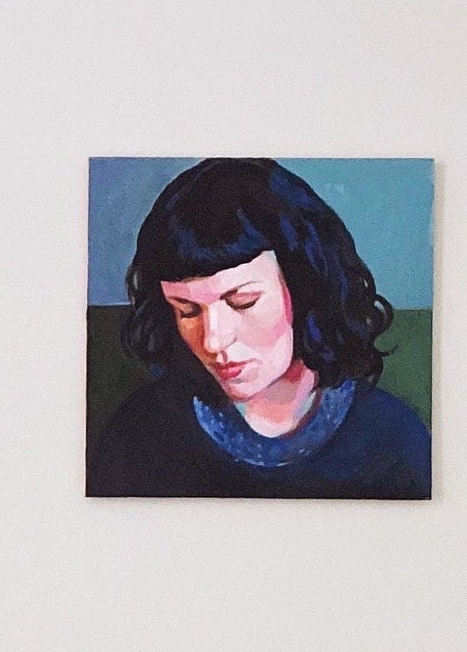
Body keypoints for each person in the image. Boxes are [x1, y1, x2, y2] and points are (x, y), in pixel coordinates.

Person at [89, 158, 429, 498]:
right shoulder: (140, 436)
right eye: (187, 311)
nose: (213, 340)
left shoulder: (393, 441)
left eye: (243, 302)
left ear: (305, 288)